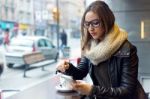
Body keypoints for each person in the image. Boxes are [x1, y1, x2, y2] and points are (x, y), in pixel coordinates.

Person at [56, 1, 147, 99]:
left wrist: (92, 90)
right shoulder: (91, 47)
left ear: (107, 21)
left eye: (95, 23)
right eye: (87, 24)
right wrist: (67, 67)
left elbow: (127, 91)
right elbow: (80, 72)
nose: (90, 29)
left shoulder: (127, 49)